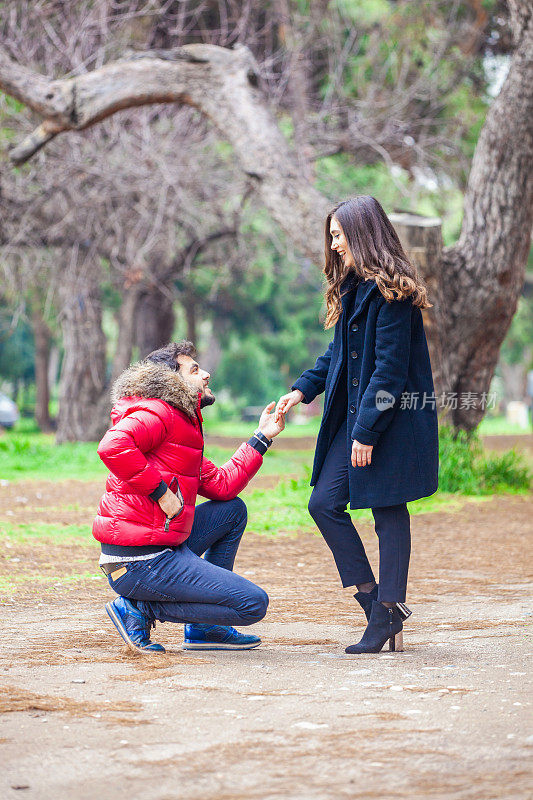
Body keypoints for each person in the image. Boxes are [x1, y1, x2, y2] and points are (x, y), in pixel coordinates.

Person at [276, 195, 439, 654]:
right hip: (353, 418)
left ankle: (390, 607)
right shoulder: (352, 287)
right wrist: (303, 389)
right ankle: (377, 606)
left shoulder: (394, 293)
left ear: (361, 233)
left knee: (388, 510)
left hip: (388, 423)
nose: (333, 245)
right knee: (323, 503)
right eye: (331, 236)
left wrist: (366, 432)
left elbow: (389, 372)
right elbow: (336, 357)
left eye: (337, 235)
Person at [93, 340, 285, 654]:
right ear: (172, 380)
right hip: (138, 561)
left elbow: (222, 485)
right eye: (194, 370)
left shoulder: (182, 426)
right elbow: (112, 446)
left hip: (163, 545)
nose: (206, 374)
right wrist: (161, 493)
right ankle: (139, 609)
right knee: (252, 604)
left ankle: (205, 628)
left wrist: (261, 436)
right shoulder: (157, 413)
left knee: (231, 511)